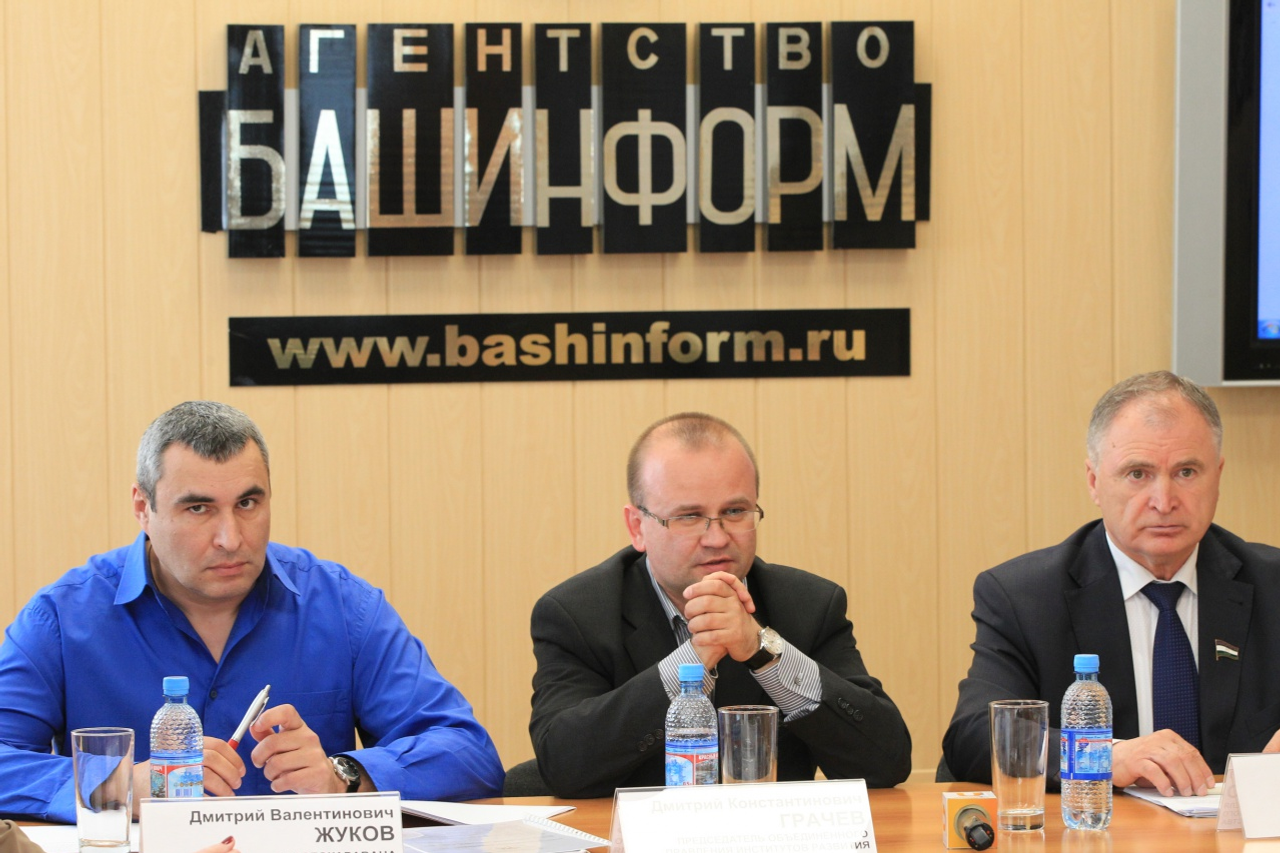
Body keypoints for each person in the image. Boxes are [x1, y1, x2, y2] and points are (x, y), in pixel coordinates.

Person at [0, 401, 503, 823]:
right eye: (198, 508)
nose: (231, 538)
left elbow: (467, 752)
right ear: (142, 508)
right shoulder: (63, 617)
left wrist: (343, 776)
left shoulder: (343, 606)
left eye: (247, 503)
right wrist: (117, 786)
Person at [529, 412, 912, 796]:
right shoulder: (577, 614)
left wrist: (764, 652)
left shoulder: (809, 605)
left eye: (734, 512)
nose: (716, 538)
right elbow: (563, 764)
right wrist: (694, 658)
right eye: (689, 516)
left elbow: (885, 762)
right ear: (637, 527)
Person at [942, 371, 1280, 797]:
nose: (1164, 501)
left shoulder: (1272, 586)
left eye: (1186, 471)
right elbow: (976, 736)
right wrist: (1103, 756)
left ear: (1218, 475)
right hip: (1097, 826)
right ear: (1094, 481)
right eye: (1138, 474)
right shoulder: (1024, 597)